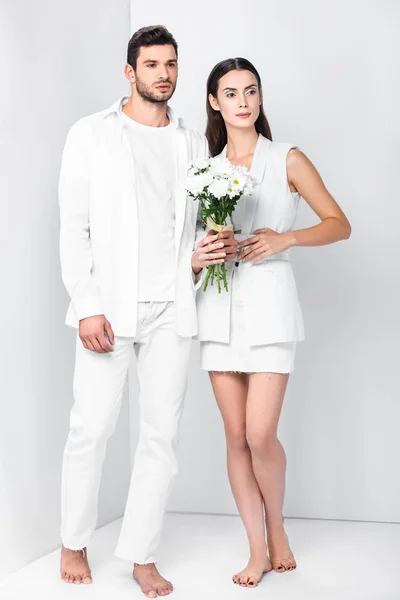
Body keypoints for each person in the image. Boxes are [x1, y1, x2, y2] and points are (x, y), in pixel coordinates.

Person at [58, 26, 236, 598]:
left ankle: (141, 554)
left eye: (172, 63)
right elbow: (73, 228)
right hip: (109, 309)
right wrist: (87, 306)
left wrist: (200, 255)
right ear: (129, 73)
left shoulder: (189, 145)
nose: (164, 73)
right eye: (152, 63)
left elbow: (181, 230)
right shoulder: (91, 135)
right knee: (92, 428)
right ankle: (73, 539)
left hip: (171, 309)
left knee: (161, 437)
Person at [195, 57, 351, 588]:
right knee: (235, 438)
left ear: (260, 99)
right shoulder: (203, 166)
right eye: (231, 93)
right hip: (217, 309)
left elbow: (339, 224)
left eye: (251, 91)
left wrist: (285, 238)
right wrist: (208, 248)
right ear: (214, 102)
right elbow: (187, 241)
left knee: (261, 435)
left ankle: (278, 525)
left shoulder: (287, 158)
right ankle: (257, 549)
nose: (243, 101)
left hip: (269, 306)